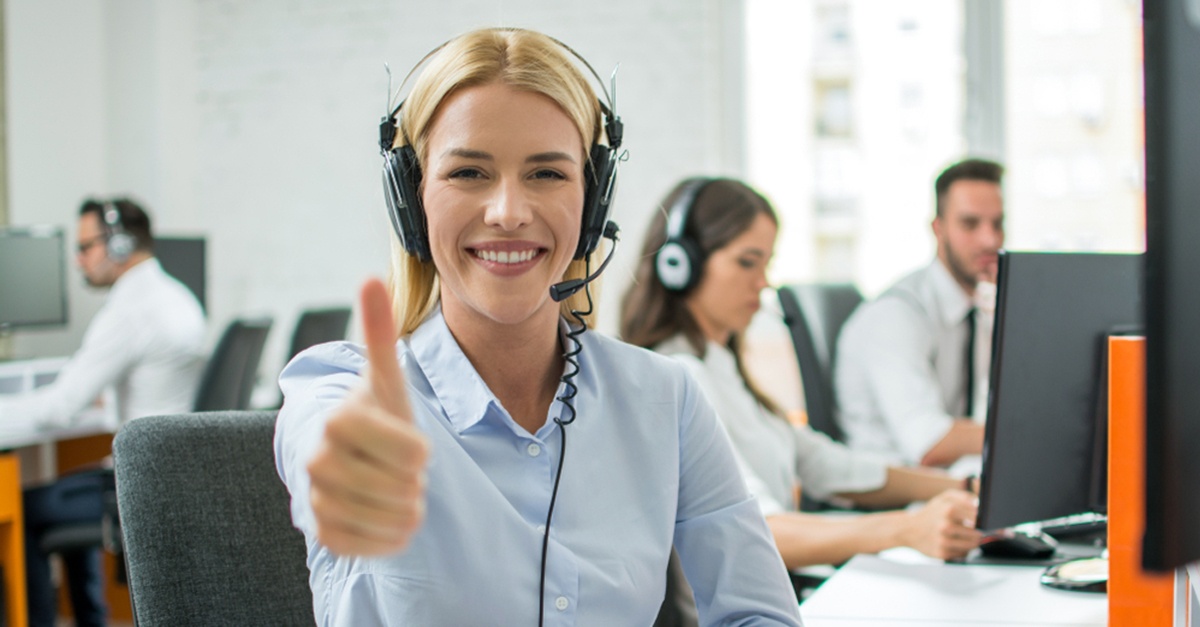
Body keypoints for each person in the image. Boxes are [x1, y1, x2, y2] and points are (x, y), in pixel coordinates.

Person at [273, 28, 802, 625]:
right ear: (411, 196)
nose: (508, 213)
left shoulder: (663, 398)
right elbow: (326, 445)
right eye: (468, 172)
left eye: (547, 174)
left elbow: (760, 614)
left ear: (593, 200)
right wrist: (348, 481)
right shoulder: (342, 390)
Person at [620, 176, 982, 572]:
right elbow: (755, 532)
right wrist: (907, 529)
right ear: (679, 264)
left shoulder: (722, 368)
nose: (762, 283)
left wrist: (965, 489)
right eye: (746, 262)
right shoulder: (678, 378)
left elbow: (827, 465)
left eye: (766, 264)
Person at [0, 198, 207, 627]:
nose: (79, 261)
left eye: (86, 247)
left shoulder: (130, 310)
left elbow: (58, 409)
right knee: (59, 492)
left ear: (120, 244)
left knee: (26, 508)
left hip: (136, 484)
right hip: (168, 474)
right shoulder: (174, 294)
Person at [835, 158, 1004, 467]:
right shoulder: (896, 315)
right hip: (896, 492)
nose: (989, 240)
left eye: (997, 224)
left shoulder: (978, 311)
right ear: (938, 229)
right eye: (970, 224)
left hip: (947, 483)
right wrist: (1016, 433)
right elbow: (929, 442)